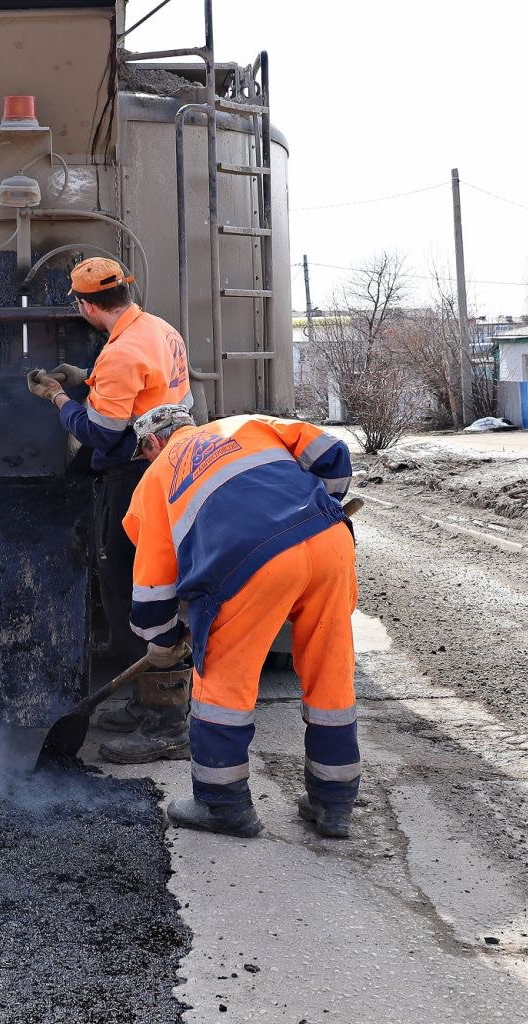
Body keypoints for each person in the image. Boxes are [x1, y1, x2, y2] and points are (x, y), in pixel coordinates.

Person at [120, 404, 361, 839]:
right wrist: (322, 505)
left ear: (153, 443)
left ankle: (223, 804)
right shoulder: (248, 425)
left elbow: (153, 586)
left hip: (248, 565)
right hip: (330, 543)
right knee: (331, 674)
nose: (146, 462)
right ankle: (335, 804)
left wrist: (161, 639)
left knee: (223, 685)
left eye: (143, 454)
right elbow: (331, 451)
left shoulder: (156, 478)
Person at [26, 256, 192, 763]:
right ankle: (149, 703)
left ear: (85, 304)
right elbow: (142, 388)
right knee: (148, 582)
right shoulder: (158, 330)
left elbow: (101, 432)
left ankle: (167, 721)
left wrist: (58, 398)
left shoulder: (122, 353)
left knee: (132, 586)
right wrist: (87, 378)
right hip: (171, 466)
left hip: (135, 477)